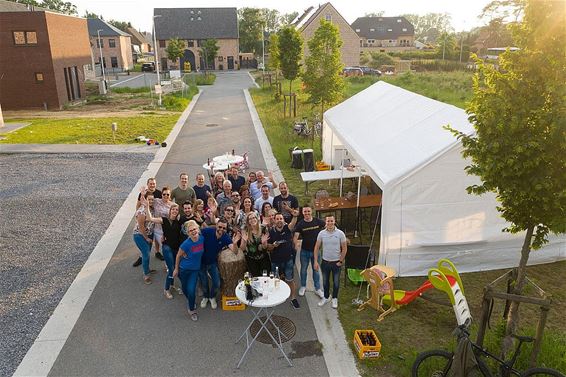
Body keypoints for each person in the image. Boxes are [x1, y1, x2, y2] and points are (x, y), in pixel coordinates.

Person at [143, 200, 182, 299]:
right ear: (170, 210)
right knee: (171, 269)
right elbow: (150, 218)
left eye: (176, 209)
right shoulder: (163, 220)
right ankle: (166, 289)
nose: (174, 211)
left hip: (176, 248)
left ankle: (172, 284)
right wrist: (147, 206)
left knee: (174, 267)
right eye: (173, 209)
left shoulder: (178, 222)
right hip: (167, 247)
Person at [263, 211, 300, 309]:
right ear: (274, 220)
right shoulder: (271, 232)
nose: (279, 220)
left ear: (283, 221)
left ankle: (293, 298)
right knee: (275, 279)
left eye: (281, 219)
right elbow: (268, 248)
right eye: (277, 219)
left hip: (288, 259)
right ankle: (276, 297)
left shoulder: (287, 228)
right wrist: (273, 246)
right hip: (275, 261)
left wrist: (295, 216)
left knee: (290, 280)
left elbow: (293, 223)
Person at [199, 218, 235, 310]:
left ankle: (212, 297)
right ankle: (205, 297)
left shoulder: (226, 237)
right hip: (201, 262)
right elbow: (195, 234)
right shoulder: (207, 231)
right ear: (216, 226)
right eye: (220, 227)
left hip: (212, 263)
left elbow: (234, 250)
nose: (221, 229)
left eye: (224, 228)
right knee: (204, 282)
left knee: (217, 283)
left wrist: (235, 241)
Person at [314, 215, 348, 309]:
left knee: (336, 282)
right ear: (325, 222)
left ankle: (334, 298)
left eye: (331, 221)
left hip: (336, 262)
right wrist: (315, 261)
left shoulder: (340, 233)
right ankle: (326, 297)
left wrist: (341, 261)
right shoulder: (321, 233)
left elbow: (344, 248)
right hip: (325, 262)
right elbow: (317, 247)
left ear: (334, 221)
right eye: (328, 221)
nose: (329, 223)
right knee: (325, 282)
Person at [173, 220, 205, 321]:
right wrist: (176, 269)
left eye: (195, 229)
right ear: (188, 233)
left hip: (194, 271)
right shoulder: (186, 244)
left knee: (191, 290)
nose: (193, 231)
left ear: (198, 229)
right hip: (183, 270)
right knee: (185, 289)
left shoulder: (202, 239)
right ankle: (191, 301)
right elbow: (178, 255)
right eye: (191, 230)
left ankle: (191, 310)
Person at [294, 205, 325, 298]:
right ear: (302, 213)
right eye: (305, 212)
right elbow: (295, 236)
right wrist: (296, 243)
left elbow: (327, 226)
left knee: (316, 270)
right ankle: (303, 286)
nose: (307, 213)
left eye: (308, 211)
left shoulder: (318, 221)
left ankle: (318, 289)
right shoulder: (300, 224)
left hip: (316, 252)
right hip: (304, 251)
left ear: (312, 212)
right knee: (303, 270)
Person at [133, 177, 163, 266]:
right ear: (148, 184)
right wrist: (138, 217)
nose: (152, 185)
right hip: (145, 218)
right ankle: (142, 256)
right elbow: (138, 205)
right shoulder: (143, 194)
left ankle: (157, 252)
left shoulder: (159, 193)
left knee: (155, 237)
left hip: (155, 217)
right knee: (144, 239)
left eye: (154, 183)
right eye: (151, 183)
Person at [132, 192, 155, 284]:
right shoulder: (141, 212)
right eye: (149, 199)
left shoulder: (151, 209)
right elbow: (141, 227)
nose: (151, 201)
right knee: (146, 253)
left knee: (147, 253)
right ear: (144, 200)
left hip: (149, 234)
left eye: (152, 199)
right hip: (140, 235)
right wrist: (146, 238)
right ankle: (146, 274)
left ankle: (147, 268)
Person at [239, 212, 270, 277]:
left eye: (254, 217)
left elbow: (265, 247)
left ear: (257, 219)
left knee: (266, 277)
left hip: (263, 257)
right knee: (256, 278)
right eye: (250, 219)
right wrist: (244, 240)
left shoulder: (263, 228)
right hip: (251, 259)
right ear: (248, 221)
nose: (252, 220)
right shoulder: (245, 230)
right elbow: (242, 249)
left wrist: (264, 242)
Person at [151, 186, 174, 264]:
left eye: (168, 194)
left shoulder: (173, 205)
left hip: (167, 230)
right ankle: (165, 261)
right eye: (164, 194)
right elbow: (147, 200)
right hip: (157, 228)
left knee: (167, 247)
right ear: (161, 194)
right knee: (161, 244)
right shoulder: (156, 201)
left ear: (170, 195)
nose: (166, 196)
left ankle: (169, 263)